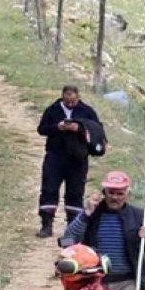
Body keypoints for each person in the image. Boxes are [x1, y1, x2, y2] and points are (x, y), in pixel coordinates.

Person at [62, 171, 145, 290]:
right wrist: (85, 214)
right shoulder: (91, 213)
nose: (115, 197)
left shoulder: (138, 216)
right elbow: (68, 240)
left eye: (120, 194)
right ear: (104, 192)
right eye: (111, 193)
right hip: (95, 282)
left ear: (127, 195)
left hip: (127, 283)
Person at [36, 85, 102, 239]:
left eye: (73, 102)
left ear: (78, 97)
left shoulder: (87, 111)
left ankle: (73, 228)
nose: (70, 104)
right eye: (67, 101)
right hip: (55, 156)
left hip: (78, 159)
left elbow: (97, 130)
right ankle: (46, 225)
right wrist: (57, 127)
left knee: (75, 193)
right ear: (62, 97)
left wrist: (78, 128)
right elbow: (41, 129)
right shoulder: (52, 110)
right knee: (49, 189)